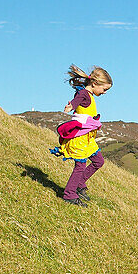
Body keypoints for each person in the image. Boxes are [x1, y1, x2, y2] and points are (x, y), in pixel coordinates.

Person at [51, 65, 112, 206]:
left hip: (87, 138)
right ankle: (69, 194)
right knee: (80, 165)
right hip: (79, 138)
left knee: (98, 161)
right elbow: (77, 100)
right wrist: (71, 106)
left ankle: (79, 184)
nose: (104, 93)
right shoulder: (84, 94)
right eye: (104, 89)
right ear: (95, 83)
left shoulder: (88, 95)